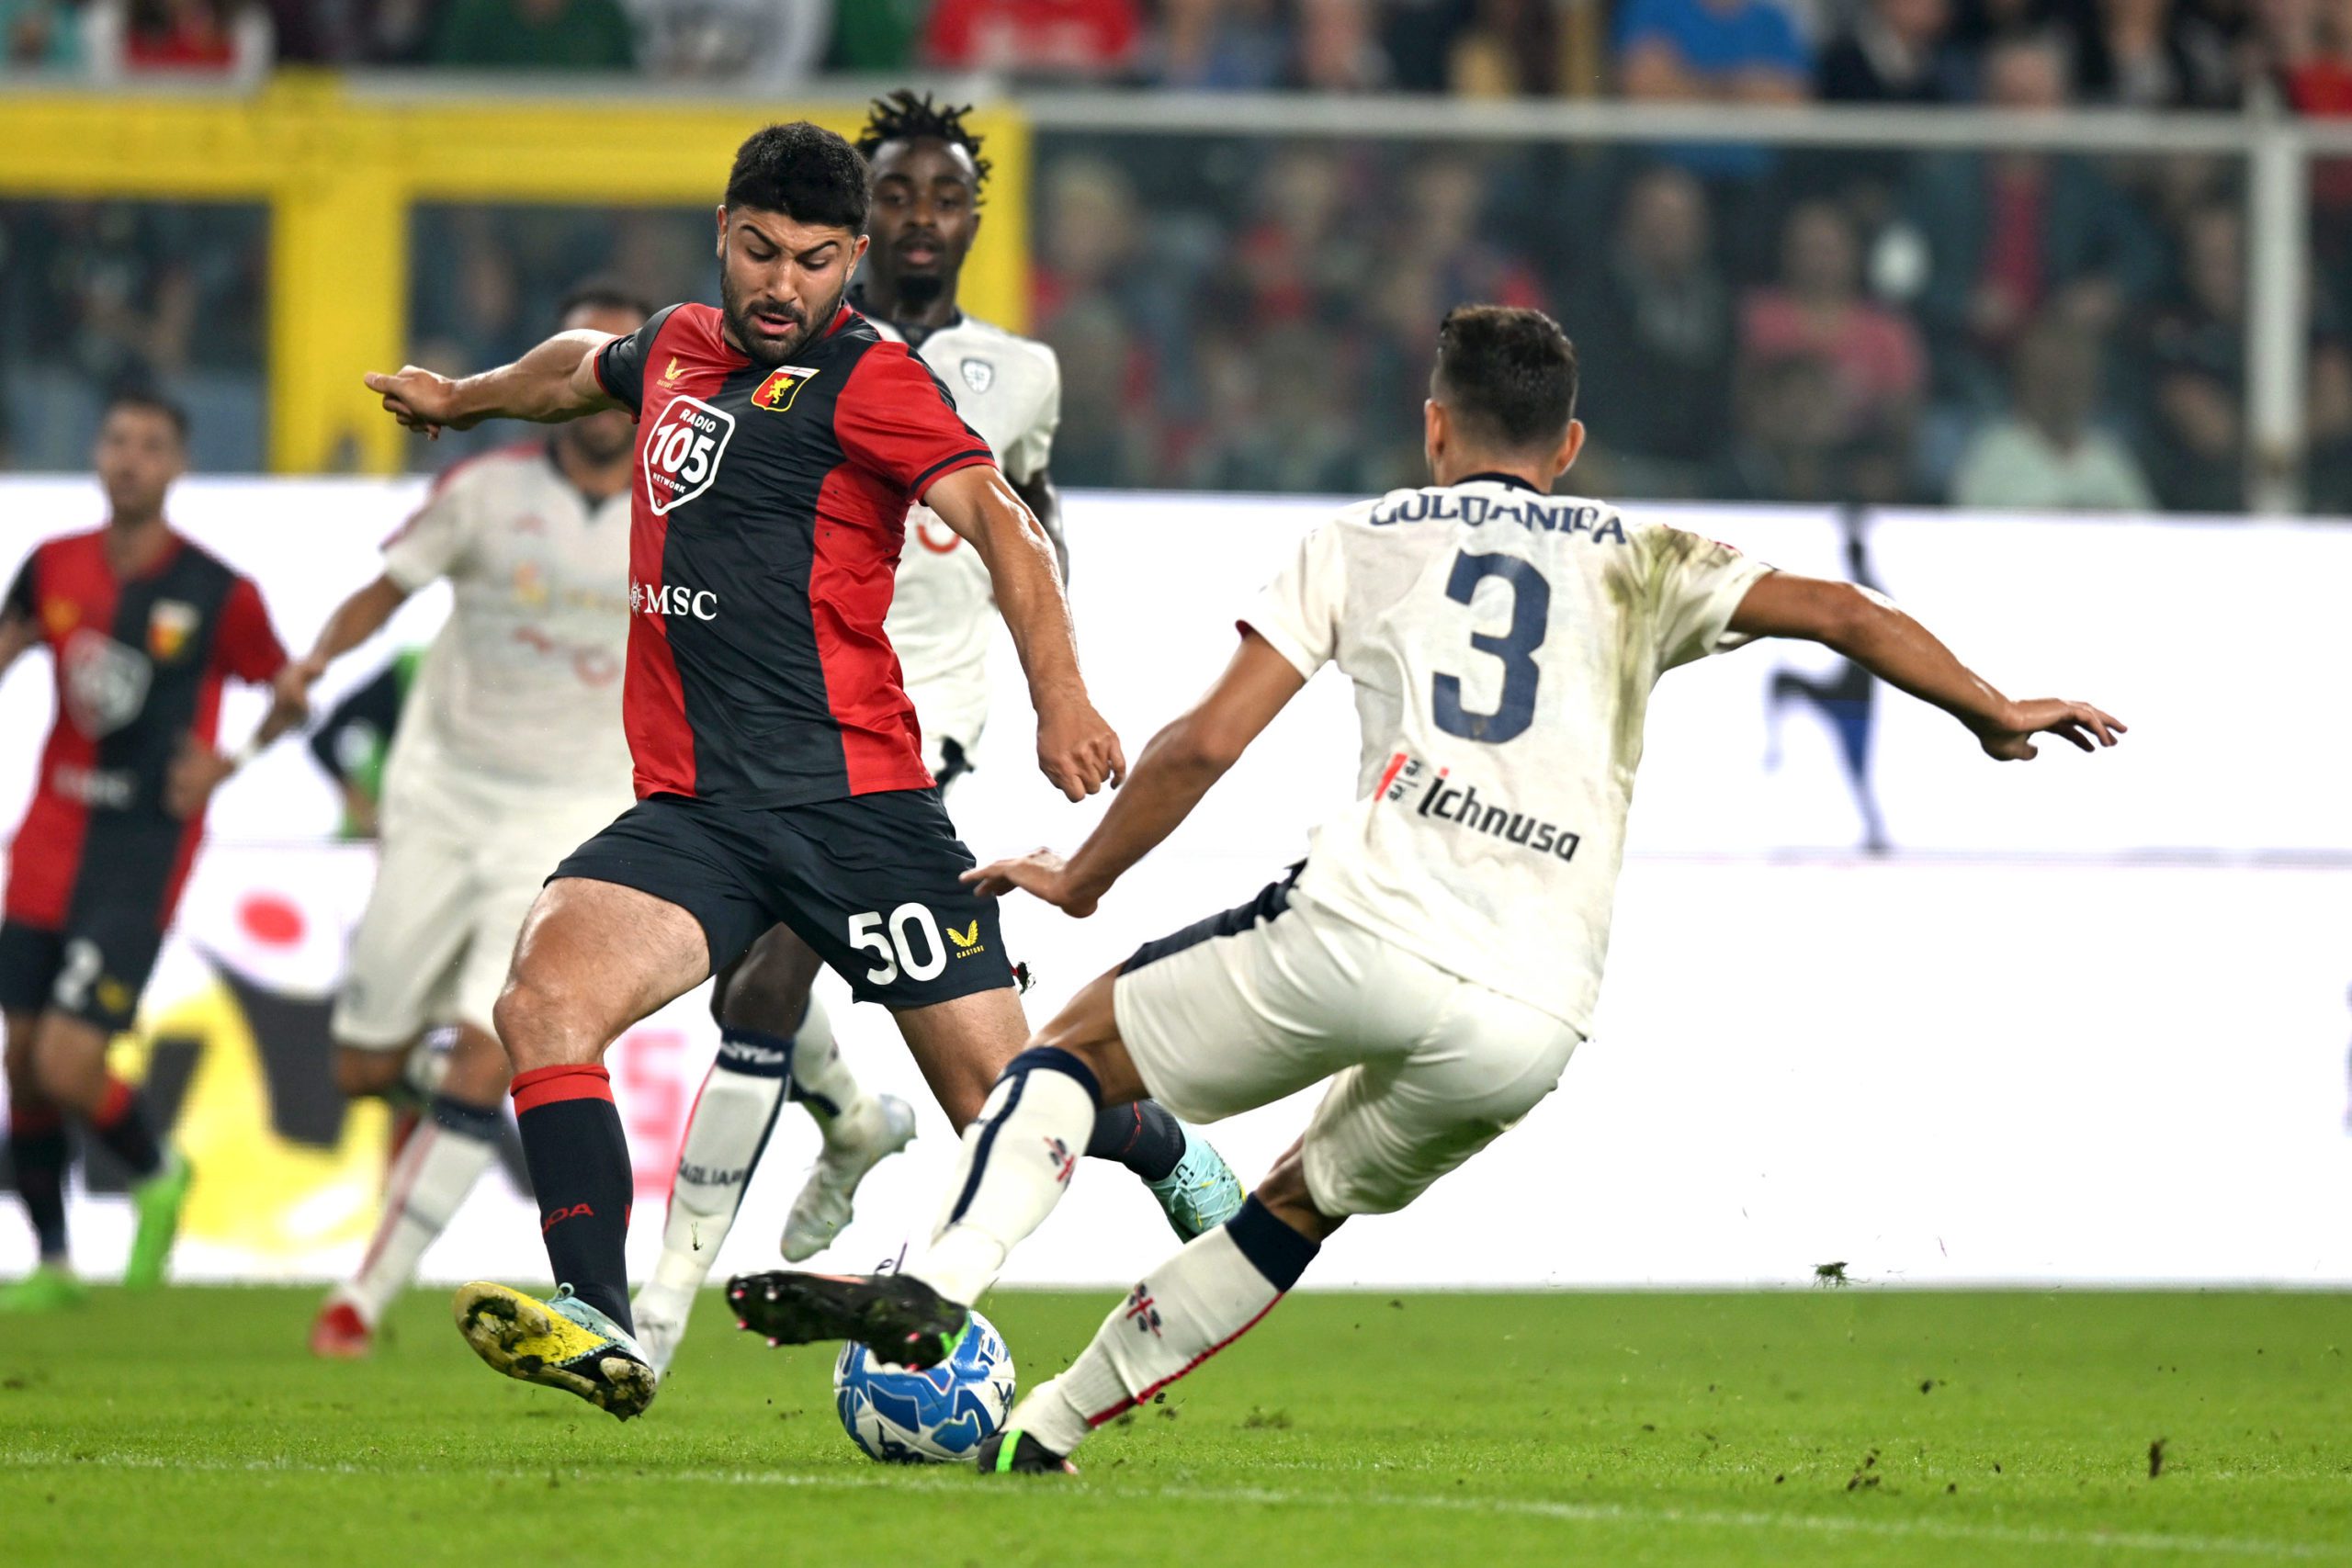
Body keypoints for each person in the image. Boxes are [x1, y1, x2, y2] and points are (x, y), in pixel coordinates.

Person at [724, 305, 2127, 1472]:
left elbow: (1206, 741)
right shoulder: (1643, 557)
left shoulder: (1365, 535)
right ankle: (1050, 1428)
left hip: (1364, 929)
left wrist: (1083, 875)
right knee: (1295, 1202)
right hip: (1534, 1016)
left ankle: (938, 1280)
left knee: (1068, 1056)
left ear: (1434, 424)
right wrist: (1991, 707)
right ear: (1568, 447)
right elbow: (1845, 609)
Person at [363, 121, 1146, 1420]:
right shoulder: (677, 343)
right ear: (721, 234)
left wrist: (1061, 696)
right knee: (544, 1004)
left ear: (852, 260)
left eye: (815, 261)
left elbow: (1005, 527)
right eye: (761, 252)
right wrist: (464, 396)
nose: (783, 285)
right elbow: (578, 370)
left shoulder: (875, 380)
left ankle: (1166, 1150)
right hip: (699, 814)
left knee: (1003, 1107)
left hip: (858, 811)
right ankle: (600, 1322)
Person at [628, 95, 1241, 1376]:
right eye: (898, 193)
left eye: (946, 197)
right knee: (957, 1064)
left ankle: (658, 1313)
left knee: (766, 980)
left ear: (971, 218)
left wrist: (1053, 683)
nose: (922, 217)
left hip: (917, 717)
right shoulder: (765, 351)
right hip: (769, 707)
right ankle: (941, 1127)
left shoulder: (1019, 372)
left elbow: (1030, 519)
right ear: (860, 220)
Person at [298, 282, 650, 1359]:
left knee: (490, 1048)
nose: (598, 380)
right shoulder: (484, 489)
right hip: (443, 799)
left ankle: (362, 1298)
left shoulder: (681, 510)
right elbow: (387, 590)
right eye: (581, 355)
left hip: (570, 821)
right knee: (363, 1067)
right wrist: (314, 662)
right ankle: (443, 1108)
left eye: (619, 359)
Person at [0, 392, 309, 1313]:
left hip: (142, 848)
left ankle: (159, 1176)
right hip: (49, 833)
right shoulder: (51, 565)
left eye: (151, 446)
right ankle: (54, 1262)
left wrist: (229, 762)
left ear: (179, 466)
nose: (130, 459)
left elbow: (290, 692)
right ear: (98, 455)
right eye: (117, 441)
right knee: (21, 1056)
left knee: (66, 1062)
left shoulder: (218, 591)